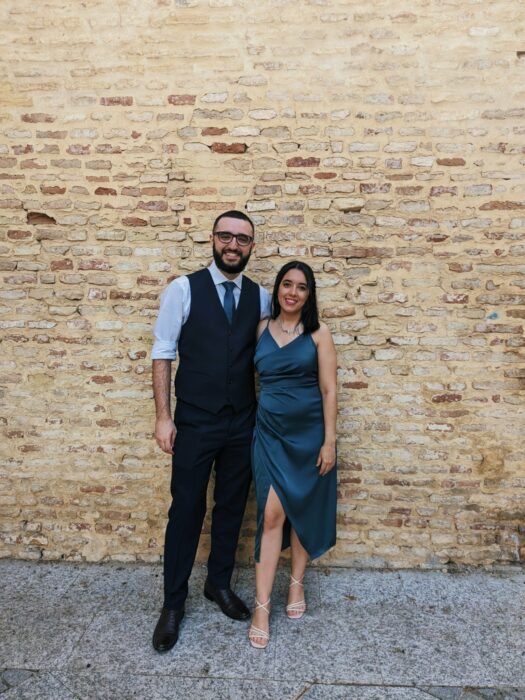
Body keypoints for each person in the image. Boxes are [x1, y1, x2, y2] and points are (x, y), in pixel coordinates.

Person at [151, 210, 271, 652]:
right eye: (226, 236)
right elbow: (162, 353)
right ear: (212, 239)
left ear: (252, 246)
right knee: (185, 511)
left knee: (231, 507)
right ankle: (173, 605)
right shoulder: (183, 289)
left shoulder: (260, 297)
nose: (233, 245)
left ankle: (217, 584)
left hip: (243, 420)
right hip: (196, 420)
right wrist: (164, 416)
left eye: (242, 239)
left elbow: (275, 347)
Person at [248, 261, 337, 649]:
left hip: (309, 436)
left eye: (302, 287)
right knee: (271, 514)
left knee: (302, 509)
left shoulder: (318, 333)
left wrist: (329, 441)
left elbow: (329, 390)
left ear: (309, 294)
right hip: (268, 434)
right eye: (287, 284)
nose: (293, 292)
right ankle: (261, 606)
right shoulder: (261, 328)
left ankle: (296, 584)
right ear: (278, 288)